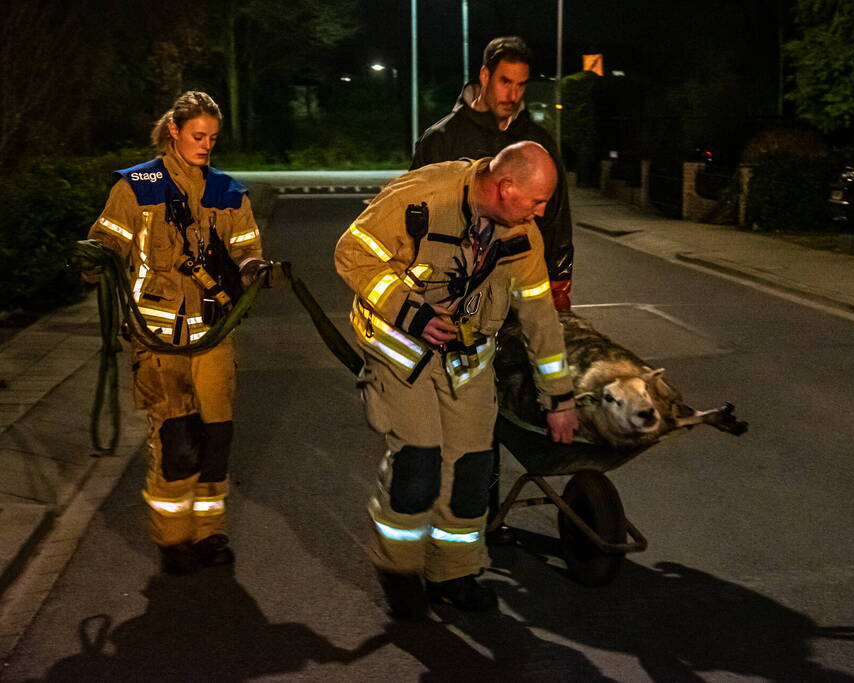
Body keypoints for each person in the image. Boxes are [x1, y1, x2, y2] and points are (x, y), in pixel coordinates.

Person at [335, 141, 580, 617]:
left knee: (471, 471)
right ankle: (400, 571)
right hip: (401, 355)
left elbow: (539, 317)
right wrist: (412, 313)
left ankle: (453, 573)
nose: (541, 212)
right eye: (537, 200)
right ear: (506, 187)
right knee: (418, 465)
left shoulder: (523, 235)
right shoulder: (424, 197)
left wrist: (560, 399)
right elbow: (352, 254)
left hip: (467, 363)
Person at [87, 91, 280, 575]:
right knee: (177, 443)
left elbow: (247, 249)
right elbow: (106, 242)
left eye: (213, 137)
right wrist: (93, 258)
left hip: (214, 337)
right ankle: (173, 539)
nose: (206, 145)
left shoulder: (228, 192)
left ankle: (210, 532)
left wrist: (255, 269)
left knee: (215, 439)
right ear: (173, 130)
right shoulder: (136, 187)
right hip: (158, 342)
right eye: (198, 135)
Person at [411, 36, 574, 312]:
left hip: (518, 290)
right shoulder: (441, 139)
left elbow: (556, 215)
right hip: (454, 291)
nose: (513, 95)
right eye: (505, 82)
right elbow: (414, 215)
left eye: (521, 85)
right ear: (485, 76)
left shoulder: (538, 142)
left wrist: (559, 279)